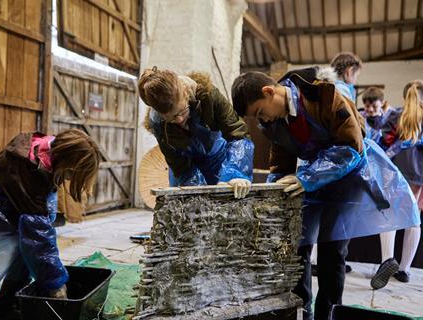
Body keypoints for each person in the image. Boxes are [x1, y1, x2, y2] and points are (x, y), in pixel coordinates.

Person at [231, 67, 420, 320]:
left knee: (332, 250)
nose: (261, 119)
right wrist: (275, 194)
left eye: (259, 112)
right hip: (313, 177)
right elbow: (281, 162)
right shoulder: (273, 122)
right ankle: (300, 310)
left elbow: (351, 147)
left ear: (269, 91)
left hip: (348, 175)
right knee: (299, 245)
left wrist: (306, 178)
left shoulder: (325, 96)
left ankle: (328, 314)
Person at [0, 129, 100, 319]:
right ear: (67, 161)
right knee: (23, 251)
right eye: (72, 173)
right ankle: (4, 309)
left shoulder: (46, 148)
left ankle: (13, 301)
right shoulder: (31, 174)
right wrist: (55, 283)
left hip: (2, 196)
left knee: (27, 249)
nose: (70, 178)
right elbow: (39, 239)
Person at [138, 67, 254, 198]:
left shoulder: (209, 95)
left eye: (182, 111)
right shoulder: (158, 123)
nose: (180, 119)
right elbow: (179, 165)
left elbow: (237, 132)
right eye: (172, 118)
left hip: (217, 157)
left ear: (186, 93)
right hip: (186, 165)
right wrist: (196, 192)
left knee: (230, 197)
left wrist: (235, 172)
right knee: (190, 206)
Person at [371, 80, 423, 288]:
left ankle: (387, 260)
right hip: (420, 176)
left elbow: (383, 143)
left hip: (396, 173)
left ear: (404, 96)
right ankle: (404, 270)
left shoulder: (395, 116)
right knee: (414, 220)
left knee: (390, 216)